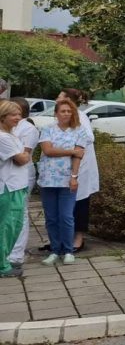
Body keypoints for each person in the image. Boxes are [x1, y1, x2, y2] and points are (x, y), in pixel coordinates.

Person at [37, 99, 89, 268]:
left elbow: (78, 157)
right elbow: (47, 150)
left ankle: (68, 250)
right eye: (63, 111)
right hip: (48, 179)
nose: (66, 114)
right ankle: (54, 250)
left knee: (66, 216)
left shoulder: (79, 131)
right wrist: (72, 150)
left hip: (67, 180)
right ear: (56, 113)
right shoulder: (47, 130)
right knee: (51, 217)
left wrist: (74, 176)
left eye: (69, 111)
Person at [57, 89, 97, 253]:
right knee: (64, 205)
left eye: (60, 95)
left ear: (67, 99)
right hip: (65, 167)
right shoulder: (62, 115)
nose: (57, 98)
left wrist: (69, 146)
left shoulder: (80, 116)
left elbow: (88, 137)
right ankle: (61, 239)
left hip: (81, 166)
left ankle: (78, 239)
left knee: (79, 203)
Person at [0, 101, 33, 276]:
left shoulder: (10, 135)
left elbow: (22, 156)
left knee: (14, 226)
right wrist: (26, 154)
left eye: (19, 114)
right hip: (8, 188)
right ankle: (2, 266)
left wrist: (24, 154)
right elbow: (21, 159)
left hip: (16, 186)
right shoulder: (3, 137)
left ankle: (4, 261)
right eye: (14, 115)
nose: (18, 118)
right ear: (3, 116)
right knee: (6, 227)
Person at [8, 98, 38, 268]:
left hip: (23, 174)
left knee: (20, 212)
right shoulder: (10, 127)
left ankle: (17, 255)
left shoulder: (28, 128)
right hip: (9, 176)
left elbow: (23, 156)